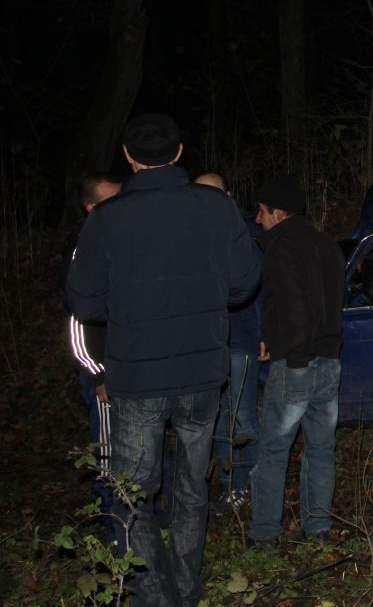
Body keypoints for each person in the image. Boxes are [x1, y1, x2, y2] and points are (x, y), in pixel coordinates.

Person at [66, 113, 261, 606]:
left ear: (128, 157)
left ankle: (155, 596)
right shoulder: (217, 207)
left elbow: (84, 301)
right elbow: (244, 285)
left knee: (134, 493)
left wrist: (130, 303)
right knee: (192, 487)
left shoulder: (106, 219)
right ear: (178, 153)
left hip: (138, 376)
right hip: (202, 373)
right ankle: (186, 590)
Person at [248, 176, 344, 547]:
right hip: (329, 360)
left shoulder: (281, 248)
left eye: (262, 211)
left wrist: (291, 353)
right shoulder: (327, 245)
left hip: (297, 364)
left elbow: (292, 305)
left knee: (274, 449)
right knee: (321, 448)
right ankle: (317, 528)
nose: (258, 219)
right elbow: (329, 303)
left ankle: (265, 534)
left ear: (279, 213)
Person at [194, 172, 263, 513]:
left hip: (241, 338)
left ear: (229, 195)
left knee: (241, 415)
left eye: (214, 194)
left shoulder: (246, 233)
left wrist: (264, 333)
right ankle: (231, 486)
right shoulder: (192, 235)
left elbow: (262, 287)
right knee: (218, 419)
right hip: (207, 343)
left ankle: (259, 486)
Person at [63, 171, 121, 539]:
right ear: (90, 208)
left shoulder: (123, 241)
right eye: (111, 201)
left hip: (131, 364)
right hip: (103, 373)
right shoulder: (81, 251)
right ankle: (108, 524)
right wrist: (97, 373)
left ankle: (140, 519)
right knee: (108, 450)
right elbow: (77, 322)